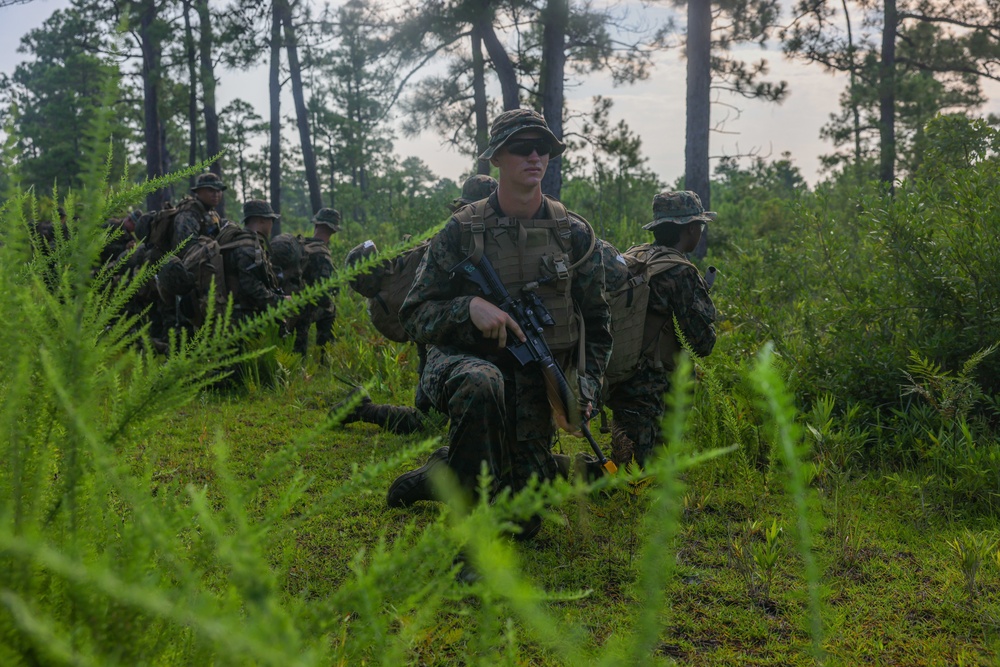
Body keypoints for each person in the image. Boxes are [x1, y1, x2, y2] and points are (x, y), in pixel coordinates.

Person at [388, 109, 612, 538]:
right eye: (521, 147)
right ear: (496, 158)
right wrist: (468, 308)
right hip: (464, 363)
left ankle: (444, 471)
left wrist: (584, 390)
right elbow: (414, 314)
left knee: (523, 522)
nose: (534, 156)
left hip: (531, 376)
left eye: (542, 147)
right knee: (482, 380)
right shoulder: (461, 231)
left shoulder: (574, 233)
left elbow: (599, 322)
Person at [605, 191, 717, 467]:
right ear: (690, 228)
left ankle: (603, 484)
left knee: (625, 455)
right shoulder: (681, 272)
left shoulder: (633, 256)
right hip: (653, 386)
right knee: (644, 471)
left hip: (618, 372)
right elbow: (702, 343)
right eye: (699, 226)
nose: (700, 232)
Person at [216, 199, 286, 322]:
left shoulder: (240, 242)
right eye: (271, 220)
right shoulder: (248, 248)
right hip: (241, 317)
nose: (272, 224)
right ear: (261, 220)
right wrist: (280, 301)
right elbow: (251, 287)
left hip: (232, 312)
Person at [293, 208, 341, 355]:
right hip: (307, 307)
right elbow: (324, 295)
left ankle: (297, 359)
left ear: (316, 225)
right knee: (330, 311)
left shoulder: (301, 245)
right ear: (333, 231)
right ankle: (324, 358)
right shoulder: (322, 254)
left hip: (290, 301)